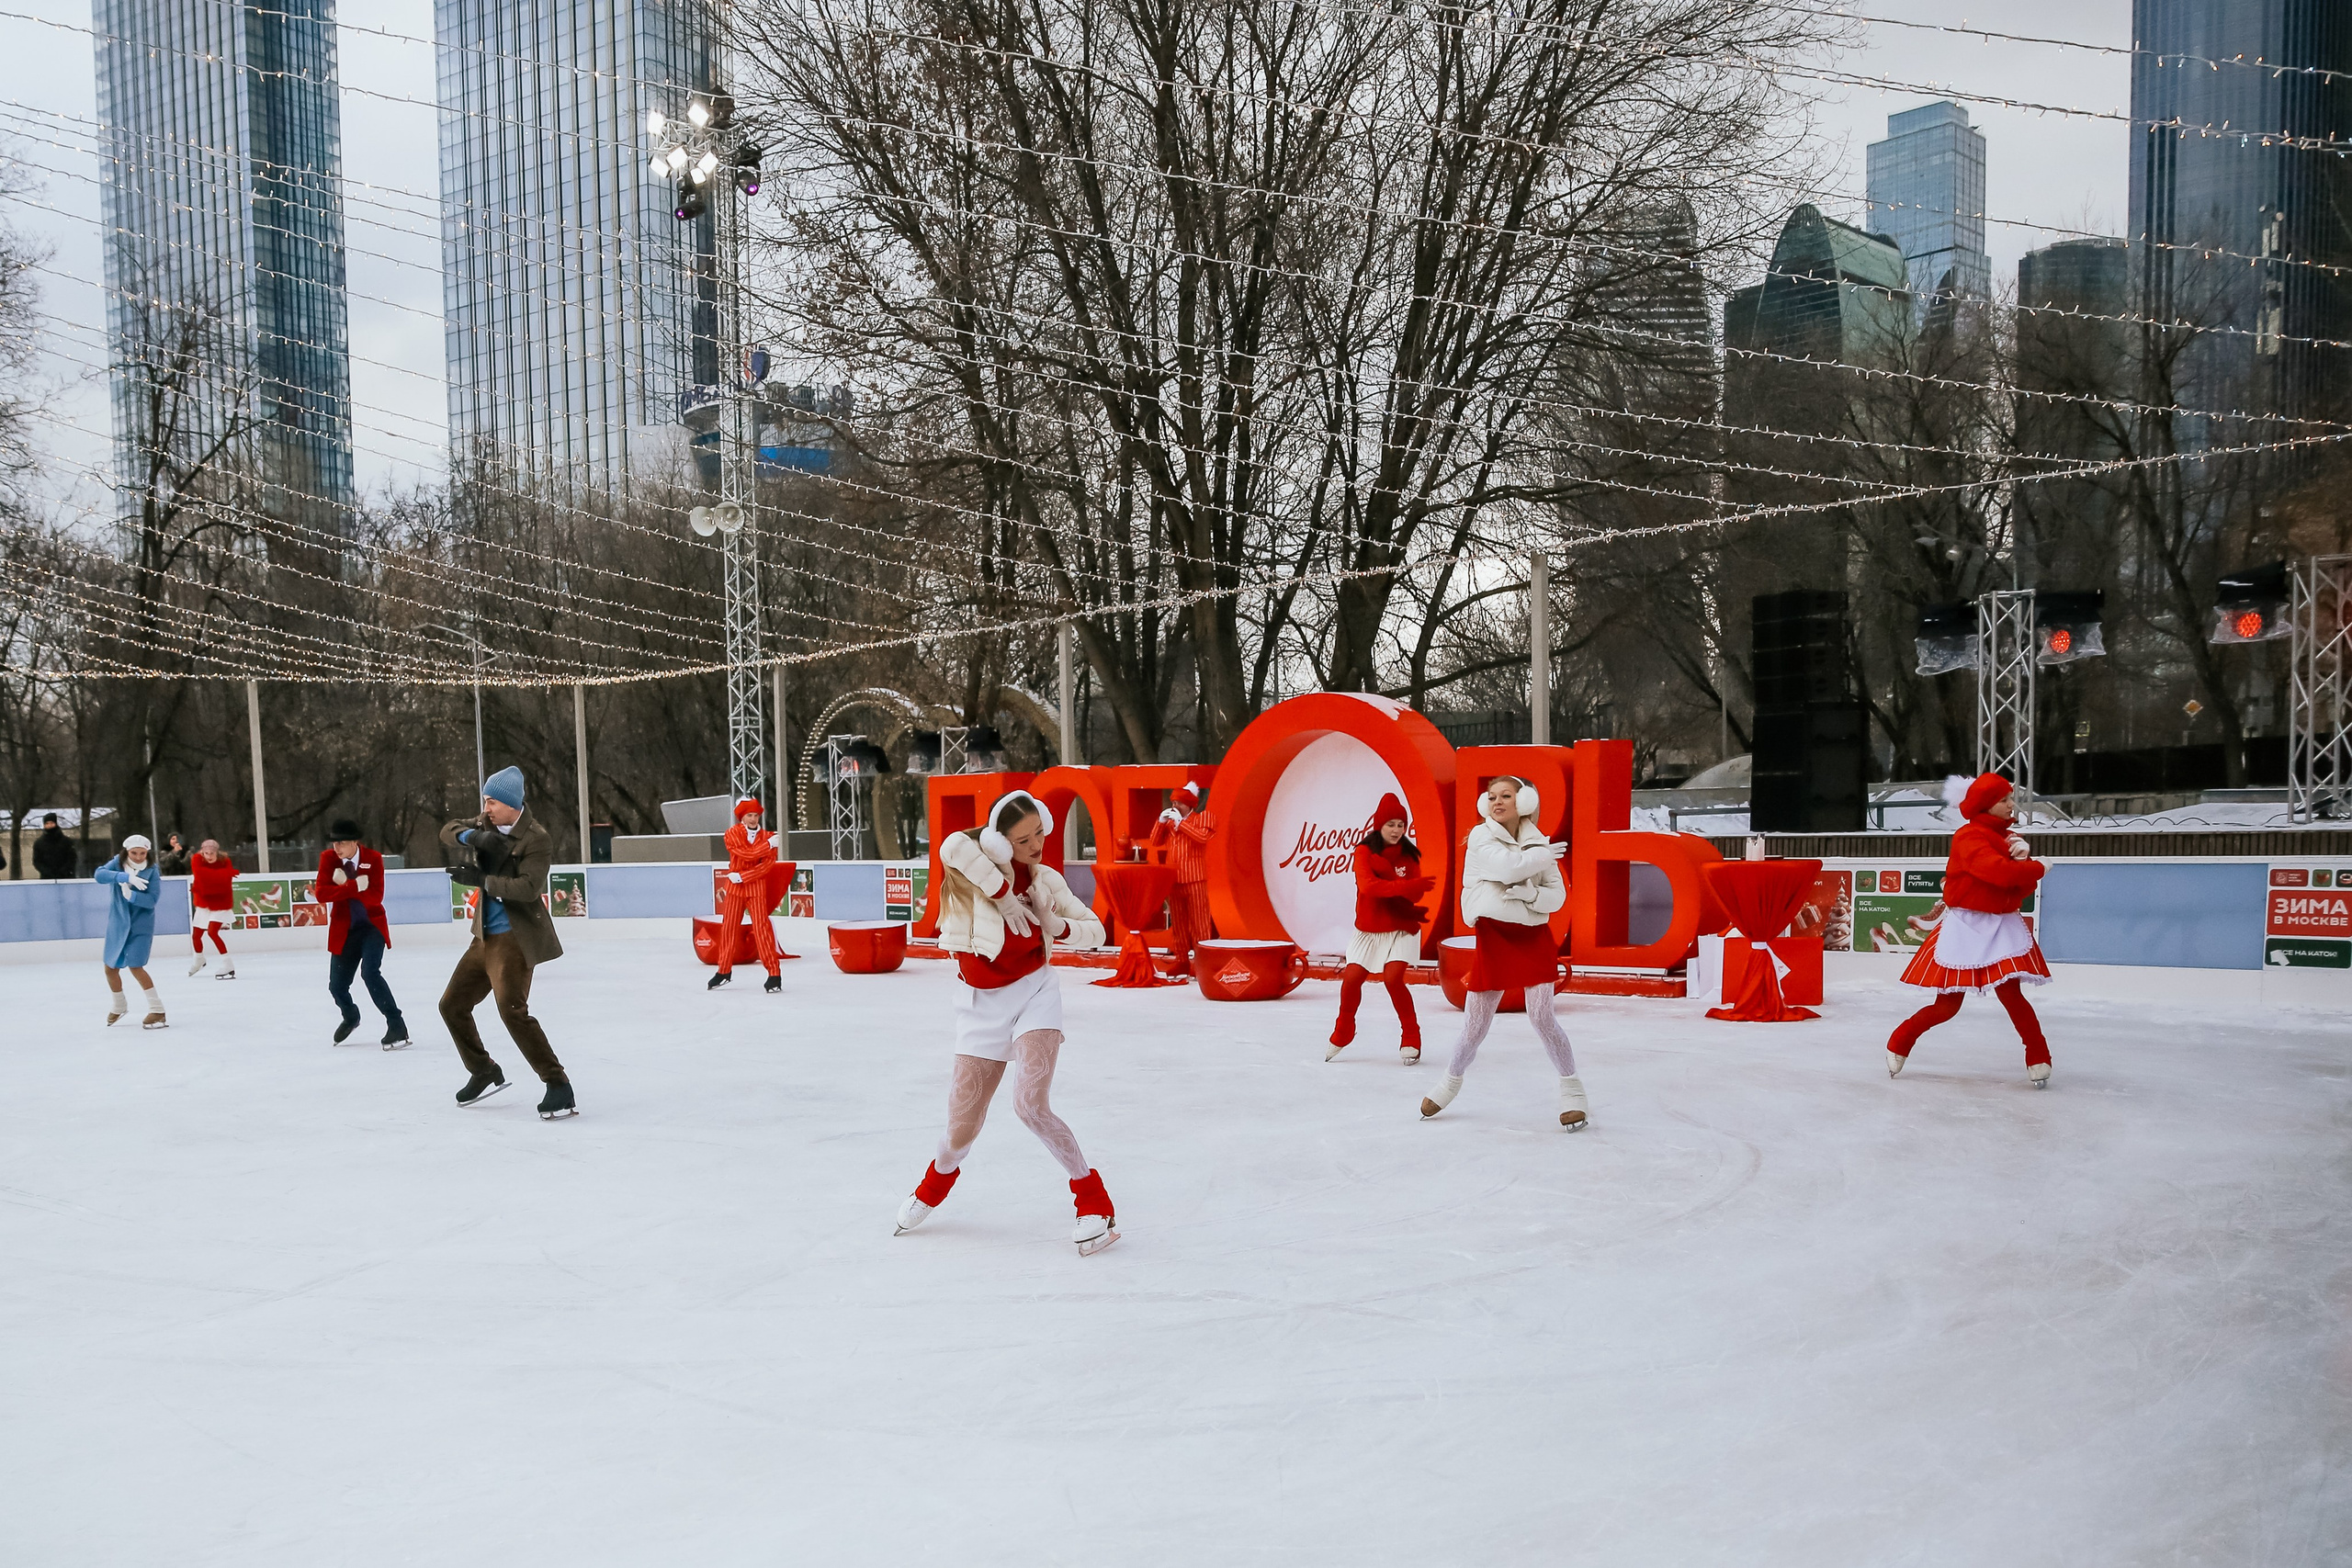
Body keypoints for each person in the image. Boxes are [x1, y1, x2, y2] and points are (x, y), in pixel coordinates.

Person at [894, 789, 1118, 1254]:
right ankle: (934, 1185)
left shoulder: (1047, 880)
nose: (1036, 845)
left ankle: (1094, 1201)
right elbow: (952, 845)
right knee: (960, 1129)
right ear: (999, 842)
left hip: (1035, 994)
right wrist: (1004, 896)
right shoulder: (969, 871)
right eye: (1022, 840)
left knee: (1030, 1104)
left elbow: (1096, 930)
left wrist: (1057, 926)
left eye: (1039, 833)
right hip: (979, 1006)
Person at [1419, 776, 1587, 1130]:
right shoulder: (1481, 837)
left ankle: (1573, 1090)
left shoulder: (1539, 843)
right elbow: (1506, 869)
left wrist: (1531, 895)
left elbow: (1557, 898)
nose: (1497, 802)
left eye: (1506, 796)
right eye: (1492, 796)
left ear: (1523, 802)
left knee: (1542, 1018)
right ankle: (1449, 1083)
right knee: (1475, 1026)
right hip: (1494, 937)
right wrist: (1541, 857)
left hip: (1533, 938)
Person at [1886, 773, 2053, 1088]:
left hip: (2001, 923)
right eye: (2003, 800)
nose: (2011, 804)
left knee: (2012, 996)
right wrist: (2036, 866)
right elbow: (1997, 873)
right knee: (1947, 1007)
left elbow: (2021, 887)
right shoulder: (1968, 837)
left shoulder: (2009, 838)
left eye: (2010, 798)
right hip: (1966, 926)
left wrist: (2022, 860)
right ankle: (1900, 1040)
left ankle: (2039, 1056)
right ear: (1985, 805)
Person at [438, 766, 575, 1119]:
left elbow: (528, 888)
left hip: (515, 938)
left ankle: (557, 1083)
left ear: (512, 804)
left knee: (512, 1011)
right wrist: (472, 837)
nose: (486, 808)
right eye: (485, 800)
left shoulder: (536, 838)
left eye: (492, 801)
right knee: (451, 1005)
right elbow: (447, 830)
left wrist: (483, 881)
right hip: (483, 937)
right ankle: (483, 1070)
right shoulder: (485, 823)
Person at [1328, 793, 1432, 1065]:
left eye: (1401, 825)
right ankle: (1344, 1029)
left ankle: (1411, 1034)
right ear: (1379, 825)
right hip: (1369, 927)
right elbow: (1368, 887)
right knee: (1352, 978)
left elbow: (1414, 896)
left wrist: (1387, 875)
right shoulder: (1364, 851)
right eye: (1391, 824)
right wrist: (1399, 884)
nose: (1396, 830)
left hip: (1400, 926)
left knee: (1393, 978)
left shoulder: (1409, 855)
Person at [315, 818, 407, 1048]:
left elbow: (376, 897)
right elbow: (321, 894)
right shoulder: (328, 859)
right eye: (334, 843)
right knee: (337, 986)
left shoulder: (373, 859)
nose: (336, 847)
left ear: (354, 842)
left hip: (372, 928)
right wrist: (353, 885)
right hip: (344, 930)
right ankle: (350, 1016)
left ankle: (396, 1024)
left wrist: (342, 887)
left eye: (342, 843)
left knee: (370, 973)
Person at [708, 796, 783, 993]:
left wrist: (743, 876)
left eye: (756, 815)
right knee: (728, 929)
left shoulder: (768, 835)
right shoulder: (732, 833)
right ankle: (724, 970)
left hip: (754, 888)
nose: (753, 819)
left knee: (762, 930)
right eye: (749, 815)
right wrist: (767, 845)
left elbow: (767, 865)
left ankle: (774, 973)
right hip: (735, 889)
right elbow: (746, 854)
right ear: (742, 817)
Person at [95, 833, 166, 1028]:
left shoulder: (152, 870)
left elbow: (152, 900)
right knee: (110, 967)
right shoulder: (117, 864)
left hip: (140, 925)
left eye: (143, 853)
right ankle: (119, 1005)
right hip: (118, 923)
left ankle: (157, 1009)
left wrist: (131, 896)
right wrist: (124, 877)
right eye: (134, 853)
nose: (139, 857)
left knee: (135, 965)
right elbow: (99, 875)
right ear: (127, 851)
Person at [1148, 780, 1216, 963]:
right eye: (1173, 802)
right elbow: (1155, 841)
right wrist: (1160, 822)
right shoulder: (1170, 824)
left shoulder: (1202, 818)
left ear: (1189, 805)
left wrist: (1182, 824)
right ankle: (1181, 959)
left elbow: (1203, 838)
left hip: (1195, 879)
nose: (1175, 806)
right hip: (1175, 880)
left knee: (1200, 923)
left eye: (1178, 803)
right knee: (1178, 924)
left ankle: (1203, 961)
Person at [187, 839, 237, 977]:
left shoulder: (225, 861)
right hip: (204, 903)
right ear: (202, 853)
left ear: (217, 852)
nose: (209, 856)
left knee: (212, 932)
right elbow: (201, 876)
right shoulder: (197, 859)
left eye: (212, 853)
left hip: (221, 903)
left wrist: (212, 879)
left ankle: (228, 964)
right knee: (196, 935)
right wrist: (218, 876)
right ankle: (199, 959)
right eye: (206, 853)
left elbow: (224, 881)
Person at [33, 812, 76, 879]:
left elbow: (72, 858)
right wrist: (47, 872)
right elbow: (37, 861)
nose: (49, 825)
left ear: (56, 823)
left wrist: (63, 871)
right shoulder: (39, 843)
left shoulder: (67, 842)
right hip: (47, 878)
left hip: (66, 877)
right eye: (47, 823)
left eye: (51, 823)